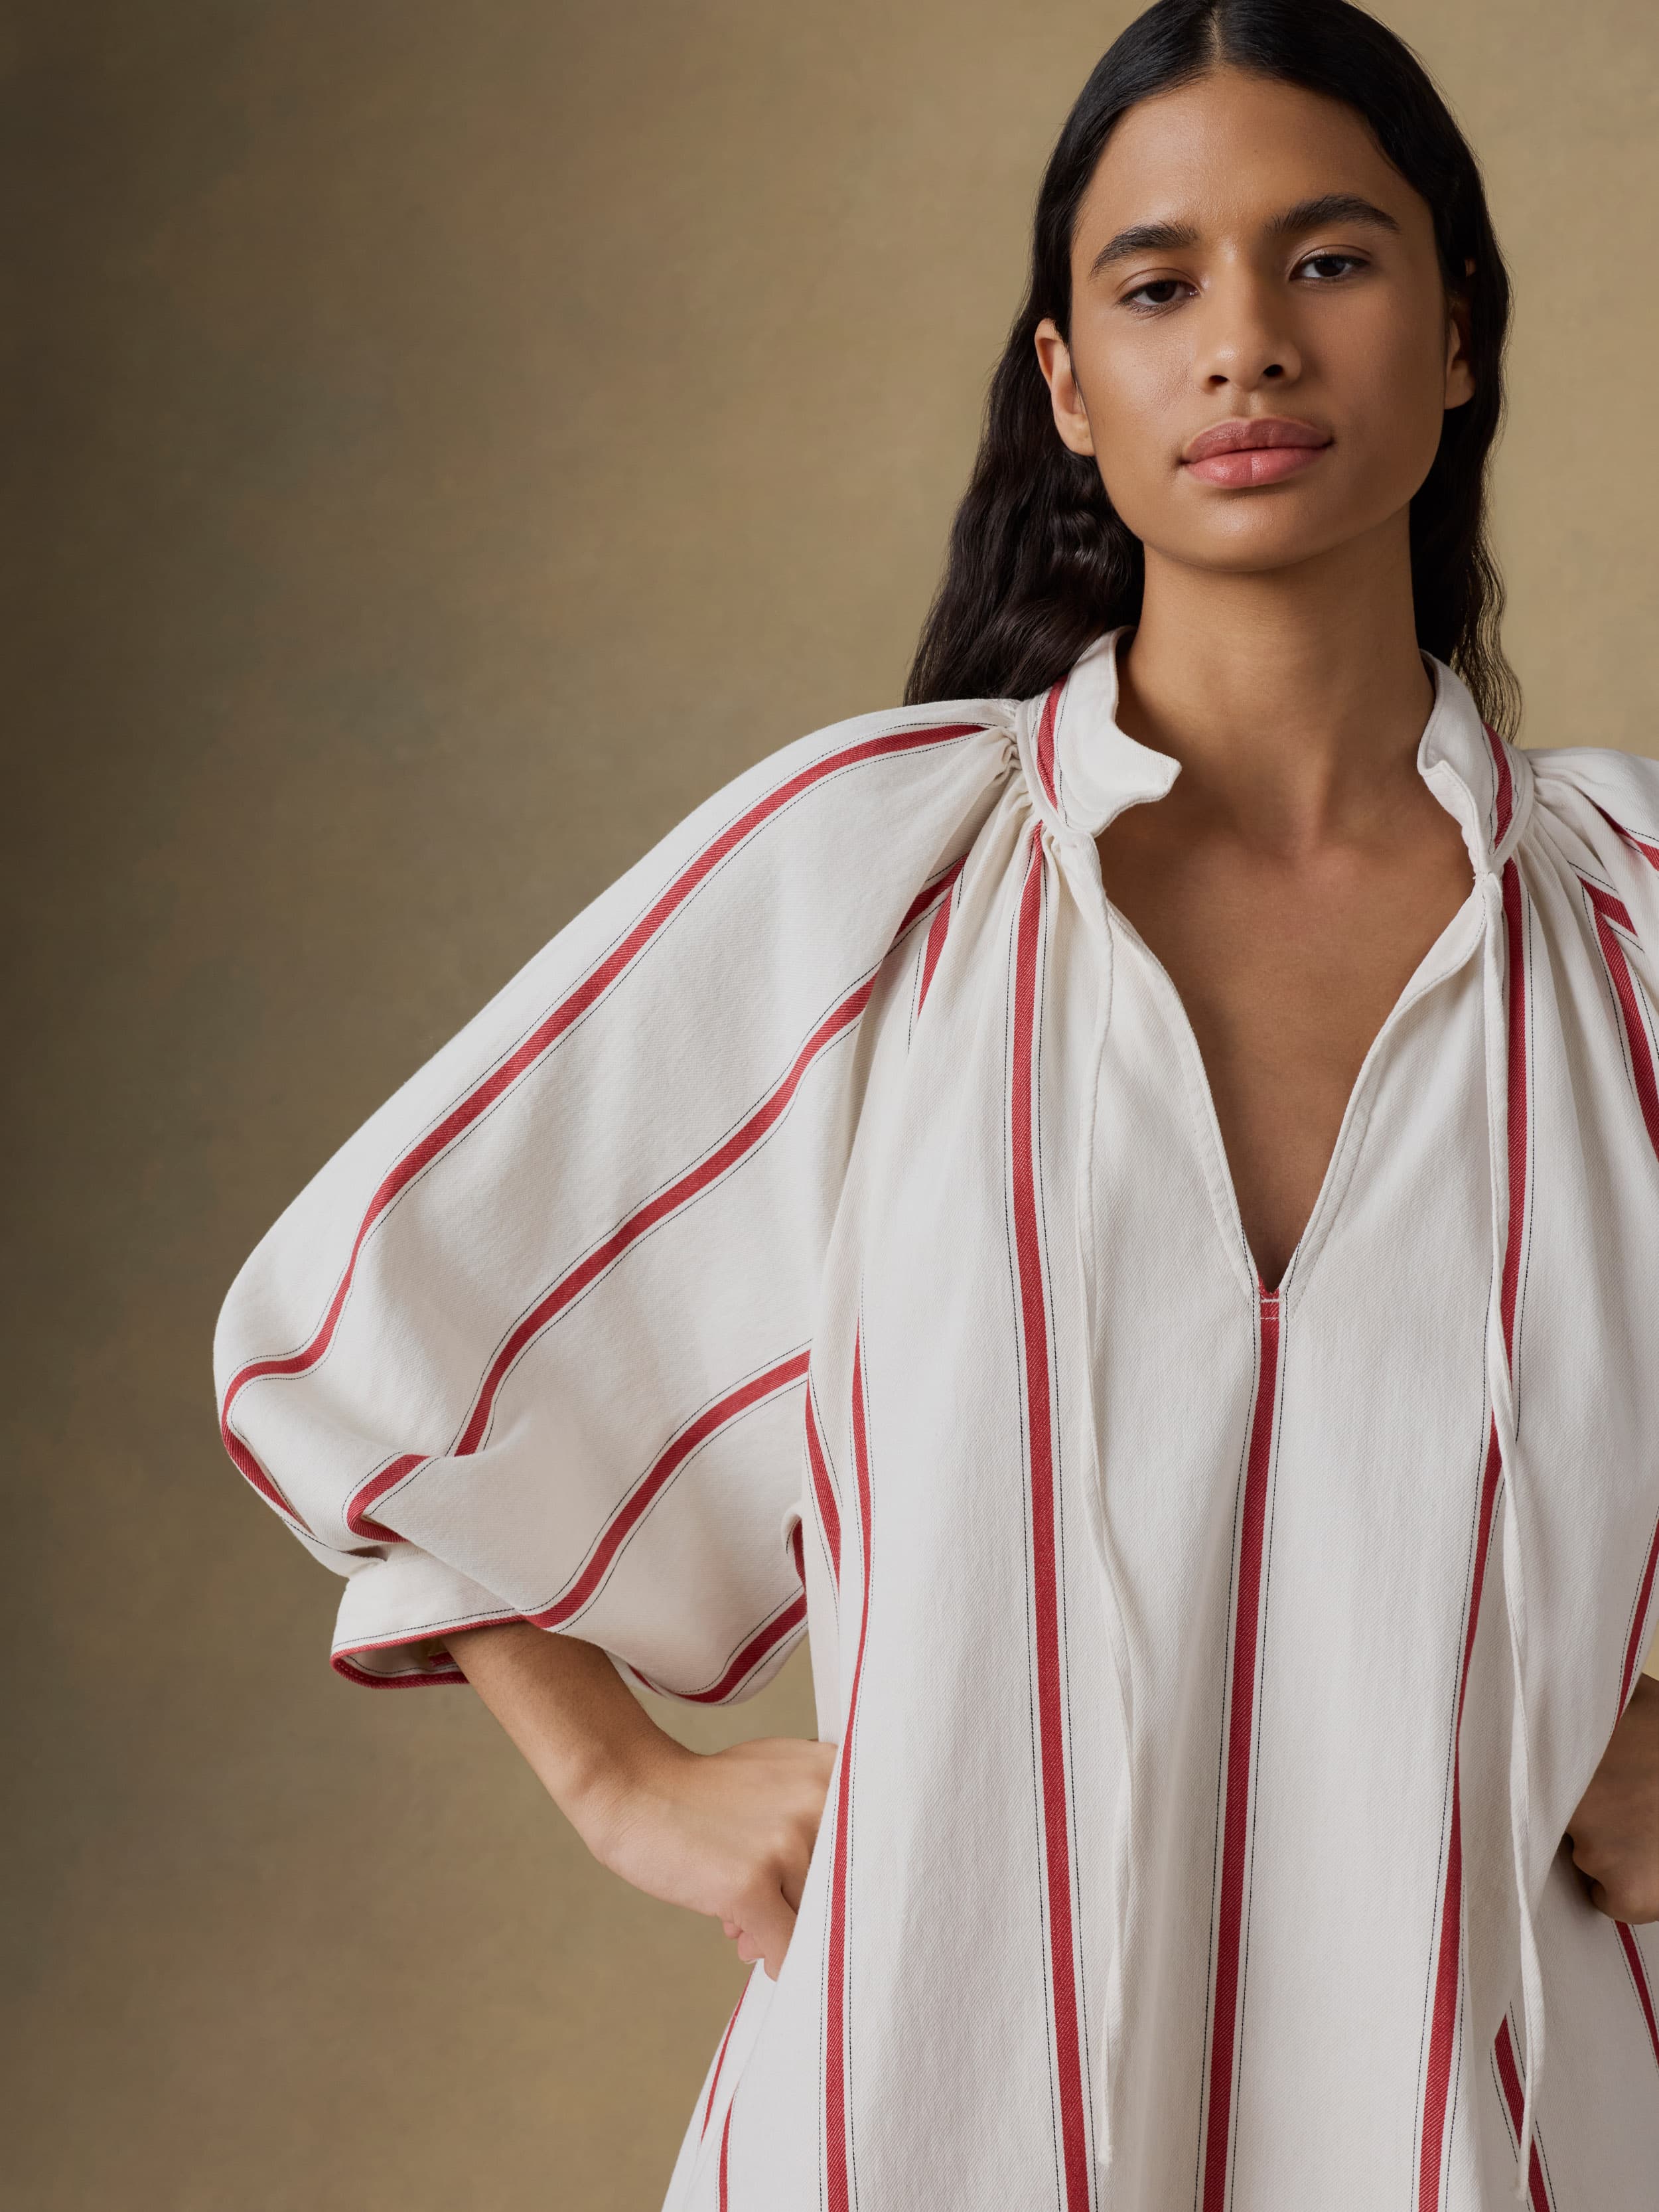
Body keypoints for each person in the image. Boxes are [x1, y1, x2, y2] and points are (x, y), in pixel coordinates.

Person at [214, 3, 1659, 2205]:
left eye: (1331, 261)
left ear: (1459, 331)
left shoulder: (1636, 923)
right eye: (1157, 284)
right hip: (923, 2139)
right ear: (1070, 387)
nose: (1245, 346)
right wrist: (620, 1782)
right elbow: (352, 1349)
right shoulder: (864, 884)